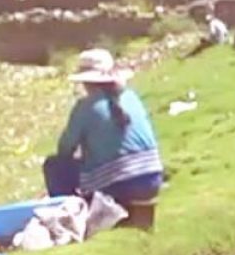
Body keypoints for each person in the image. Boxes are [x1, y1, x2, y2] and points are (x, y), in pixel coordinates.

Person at [46, 49, 165, 230]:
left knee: (55, 166)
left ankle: (70, 219)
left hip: (120, 183)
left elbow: (65, 149)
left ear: (86, 81)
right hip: (152, 175)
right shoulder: (131, 97)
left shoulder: (86, 107)